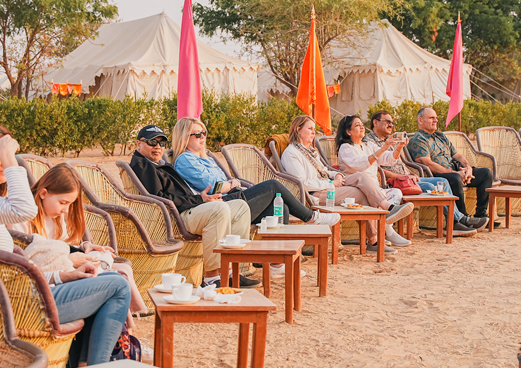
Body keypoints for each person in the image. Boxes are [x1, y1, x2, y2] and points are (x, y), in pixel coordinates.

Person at [0, 124, 131, 366]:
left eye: (9, 155)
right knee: (118, 287)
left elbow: (16, 271)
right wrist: (10, 160)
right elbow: (25, 209)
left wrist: (64, 276)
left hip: (20, 294)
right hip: (17, 304)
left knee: (102, 282)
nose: (6, 162)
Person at [6, 162, 153, 356]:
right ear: (43, 193)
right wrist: (72, 262)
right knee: (113, 280)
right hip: (44, 284)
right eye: (63, 202)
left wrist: (83, 248)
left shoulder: (56, 218)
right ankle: (123, 344)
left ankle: (120, 344)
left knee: (110, 274)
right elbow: (39, 258)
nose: (66, 210)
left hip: (59, 274)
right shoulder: (23, 219)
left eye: (69, 204)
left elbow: (59, 247)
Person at [172, 117, 340, 278]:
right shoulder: (185, 160)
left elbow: (226, 182)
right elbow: (213, 186)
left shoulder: (206, 158)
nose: (202, 137)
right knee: (273, 186)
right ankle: (311, 217)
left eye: (204, 133)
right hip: (220, 205)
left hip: (232, 198)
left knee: (280, 207)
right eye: (197, 134)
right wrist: (231, 184)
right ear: (184, 138)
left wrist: (231, 184)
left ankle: (276, 263)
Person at [128, 124, 260, 289]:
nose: (157, 147)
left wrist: (200, 198)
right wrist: (199, 200)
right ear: (138, 144)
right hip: (177, 216)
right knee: (220, 209)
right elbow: (161, 199)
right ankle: (211, 278)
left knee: (240, 206)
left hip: (189, 207)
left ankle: (232, 271)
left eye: (161, 143)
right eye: (152, 142)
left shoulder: (155, 164)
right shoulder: (142, 166)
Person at [364, 110, 487, 236]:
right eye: (387, 121)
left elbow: (400, 163)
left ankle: (456, 222)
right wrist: (404, 176)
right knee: (431, 186)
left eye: (392, 122)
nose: (391, 125)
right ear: (375, 122)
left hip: (408, 179)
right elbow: (376, 168)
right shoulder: (369, 142)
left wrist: (412, 173)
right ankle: (460, 219)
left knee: (442, 182)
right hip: (394, 181)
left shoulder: (389, 140)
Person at [282, 115, 392, 252]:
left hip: (326, 184)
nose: (313, 132)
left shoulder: (311, 152)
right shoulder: (292, 153)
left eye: (314, 129)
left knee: (362, 177)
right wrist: (331, 184)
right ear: (298, 130)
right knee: (361, 194)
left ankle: (385, 210)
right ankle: (374, 238)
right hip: (313, 194)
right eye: (309, 129)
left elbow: (325, 170)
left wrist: (337, 175)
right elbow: (302, 183)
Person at [334, 115, 415, 251]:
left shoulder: (368, 145)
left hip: (371, 189)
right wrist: (383, 147)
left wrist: (398, 147)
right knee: (366, 185)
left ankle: (380, 235)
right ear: (348, 131)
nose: (361, 127)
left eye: (361, 124)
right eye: (357, 125)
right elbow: (361, 165)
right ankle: (387, 221)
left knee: (393, 192)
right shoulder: (345, 148)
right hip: (352, 185)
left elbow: (388, 160)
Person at [406, 107, 495, 221]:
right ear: (420, 120)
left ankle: (481, 215)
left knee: (486, 173)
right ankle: (462, 218)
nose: (436, 120)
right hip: (438, 176)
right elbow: (428, 164)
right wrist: (457, 173)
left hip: (456, 171)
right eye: (432, 118)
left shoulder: (441, 136)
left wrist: (468, 169)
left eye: (436, 118)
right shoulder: (418, 139)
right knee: (456, 178)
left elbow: (458, 155)